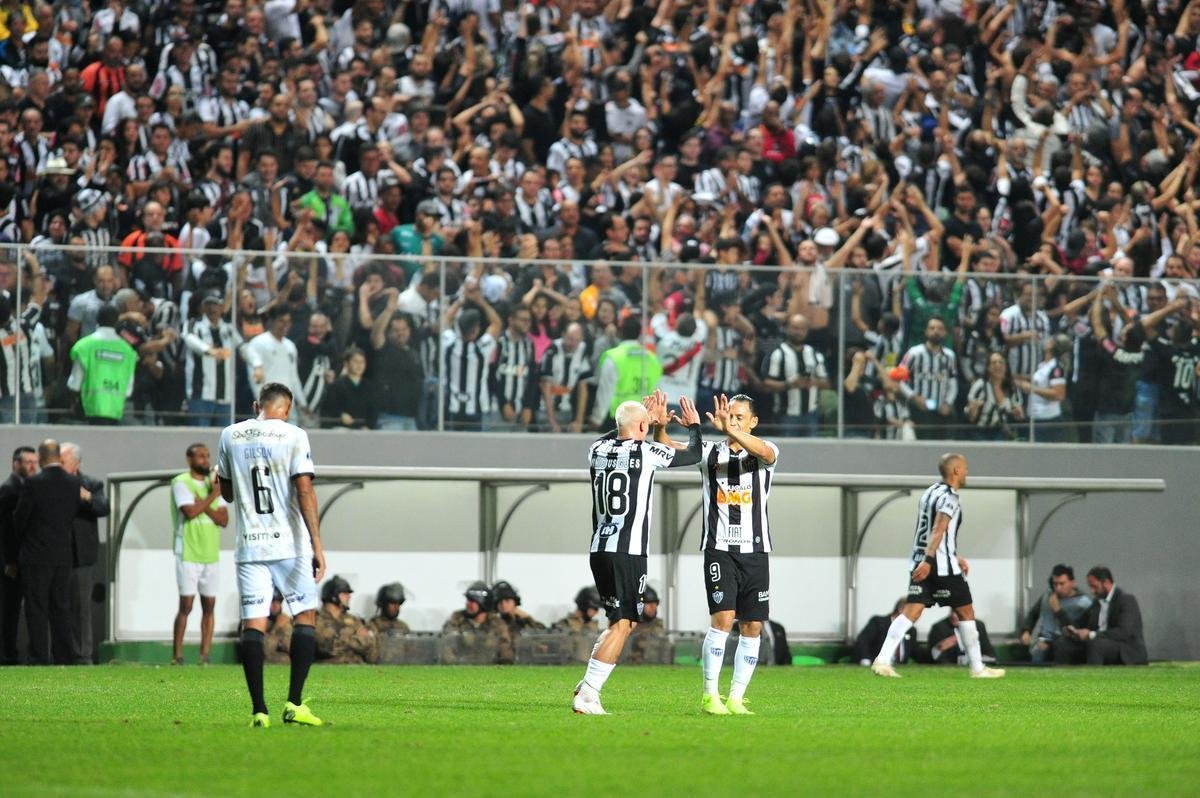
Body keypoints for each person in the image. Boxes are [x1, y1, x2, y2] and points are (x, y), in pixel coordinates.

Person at [572, 392, 702, 715]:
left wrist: (643, 419)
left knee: (619, 622)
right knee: (625, 622)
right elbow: (695, 454)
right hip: (627, 552)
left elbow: (616, 432)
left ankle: (587, 685)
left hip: (599, 548)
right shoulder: (646, 453)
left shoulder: (596, 450)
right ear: (642, 426)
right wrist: (694, 426)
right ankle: (588, 693)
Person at [216, 382, 327, 727]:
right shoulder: (295, 435)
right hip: (289, 544)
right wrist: (318, 545)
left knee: (254, 622)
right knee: (304, 616)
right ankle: (294, 704)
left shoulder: (230, 435)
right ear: (288, 409)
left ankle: (259, 711)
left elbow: (228, 494)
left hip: (250, 543)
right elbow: (304, 488)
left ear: (256, 405)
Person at [667, 393, 778, 714]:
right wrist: (662, 430)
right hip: (719, 549)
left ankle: (736, 697)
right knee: (723, 619)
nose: (733, 420)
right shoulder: (709, 453)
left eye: (740, 417)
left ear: (753, 422)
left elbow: (764, 452)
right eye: (730, 415)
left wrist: (731, 430)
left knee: (753, 625)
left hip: (756, 550)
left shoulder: (765, 450)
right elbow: (673, 450)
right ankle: (709, 695)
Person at [870, 453, 1004, 679]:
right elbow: (938, 529)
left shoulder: (930, 492)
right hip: (940, 567)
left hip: (920, 561)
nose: (967, 472)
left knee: (911, 611)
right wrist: (932, 560)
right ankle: (978, 668)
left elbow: (928, 531)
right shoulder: (951, 497)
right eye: (965, 468)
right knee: (966, 611)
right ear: (956, 471)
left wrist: (947, 555)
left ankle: (882, 660)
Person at [13, 440, 83, 665]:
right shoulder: (73, 483)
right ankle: (64, 656)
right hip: (63, 556)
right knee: (61, 608)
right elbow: (72, 514)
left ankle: (39, 656)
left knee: (37, 608)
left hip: (35, 555)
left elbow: (20, 518)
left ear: (42, 457)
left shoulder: (34, 483)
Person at [169, 443, 228, 665]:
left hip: (210, 554)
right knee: (186, 606)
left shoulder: (213, 484)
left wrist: (206, 500)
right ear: (189, 459)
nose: (205, 460)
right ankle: (177, 655)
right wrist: (213, 496)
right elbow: (190, 512)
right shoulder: (181, 482)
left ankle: (204, 655)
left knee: (209, 606)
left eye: (207, 456)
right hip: (188, 552)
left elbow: (224, 520)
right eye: (200, 456)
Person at [59, 443, 108, 665]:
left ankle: (82, 656)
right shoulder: (51, 484)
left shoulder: (91, 484)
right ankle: (58, 654)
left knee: (81, 609)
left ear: (76, 463)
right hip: (54, 554)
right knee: (56, 606)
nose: (58, 466)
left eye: (63, 461)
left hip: (81, 557)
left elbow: (103, 507)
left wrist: (86, 497)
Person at [1053, 566, 1148, 666]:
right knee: (1062, 643)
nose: (1092, 591)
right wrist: (1071, 630)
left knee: (1096, 644)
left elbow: (1123, 632)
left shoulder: (1126, 600)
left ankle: (1093, 680)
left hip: (1126, 649)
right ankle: (1064, 679)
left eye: (1094, 586)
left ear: (1106, 583)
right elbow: (1079, 623)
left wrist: (1092, 635)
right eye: (1090, 587)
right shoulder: (1097, 603)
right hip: (1098, 645)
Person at [589, 316, 662, 431]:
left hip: (618, 419)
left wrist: (597, 418)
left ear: (620, 333)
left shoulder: (614, 357)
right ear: (639, 334)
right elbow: (658, 391)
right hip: (644, 420)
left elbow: (605, 391)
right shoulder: (652, 359)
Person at [67, 304, 137, 424]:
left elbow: (74, 384)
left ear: (97, 320)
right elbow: (128, 390)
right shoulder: (128, 351)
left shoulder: (84, 346)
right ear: (116, 322)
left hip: (87, 413)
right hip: (116, 412)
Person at [0, 445, 37, 664]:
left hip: (19, 559)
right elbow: (6, 531)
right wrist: (10, 561)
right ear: (16, 464)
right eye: (28, 462)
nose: (33, 466)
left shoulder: (23, 488)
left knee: (13, 610)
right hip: (10, 563)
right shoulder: (9, 490)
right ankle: (7, 655)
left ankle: (10, 654)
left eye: (35, 462)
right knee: (8, 611)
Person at [1020, 564, 1093, 664]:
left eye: (1062, 584)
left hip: (1066, 643)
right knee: (1037, 656)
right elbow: (1034, 613)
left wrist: (1058, 610)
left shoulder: (1083, 603)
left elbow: (1077, 630)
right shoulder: (1048, 595)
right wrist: (1026, 630)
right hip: (1044, 640)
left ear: (1072, 583)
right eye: (1055, 584)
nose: (1058, 588)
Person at [442, 581, 513, 665]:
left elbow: (505, 652)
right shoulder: (457, 620)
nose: (468, 604)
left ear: (483, 602)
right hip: (461, 670)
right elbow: (447, 648)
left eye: (473, 601)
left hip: (490, 672)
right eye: (468, 600)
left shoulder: (497, 624)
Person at [315, 575, 379, 664]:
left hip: (357, 669)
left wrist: (344, 640)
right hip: (328, 670)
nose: (349, 597)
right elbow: (327, 648)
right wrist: (356, 639)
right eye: (345, 594)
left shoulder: (354, 620)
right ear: (333, 596)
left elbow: (370, 646)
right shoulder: (315, 619)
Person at [853, 598, 915, 667]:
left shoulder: (911, 630)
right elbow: (863, 641)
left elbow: (916, 651)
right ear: (901, 609)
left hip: (900, 669)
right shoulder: (878, 622)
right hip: (874, 666)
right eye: (912, 612)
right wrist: (865, 659)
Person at [928, 610, 998, 666]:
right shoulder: (939, 628)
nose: (954, 616)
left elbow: (990, 655)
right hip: (951, 670)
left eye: (959, 613)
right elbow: (936, 659)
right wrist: (940, 648)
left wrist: (975, 660)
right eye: (953, 611)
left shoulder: (978, 626)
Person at [627, 584, 666, 665]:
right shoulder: (629, 625)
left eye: (655, 603)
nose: (653, 607)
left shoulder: (660, 625)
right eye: (648, 603)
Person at [263, 589, 292, 665]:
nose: (275, 605)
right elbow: (266, 650)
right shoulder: (256, 623)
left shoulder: (286, 620)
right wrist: (276, 628)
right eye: (272, 602)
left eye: (278, 602)